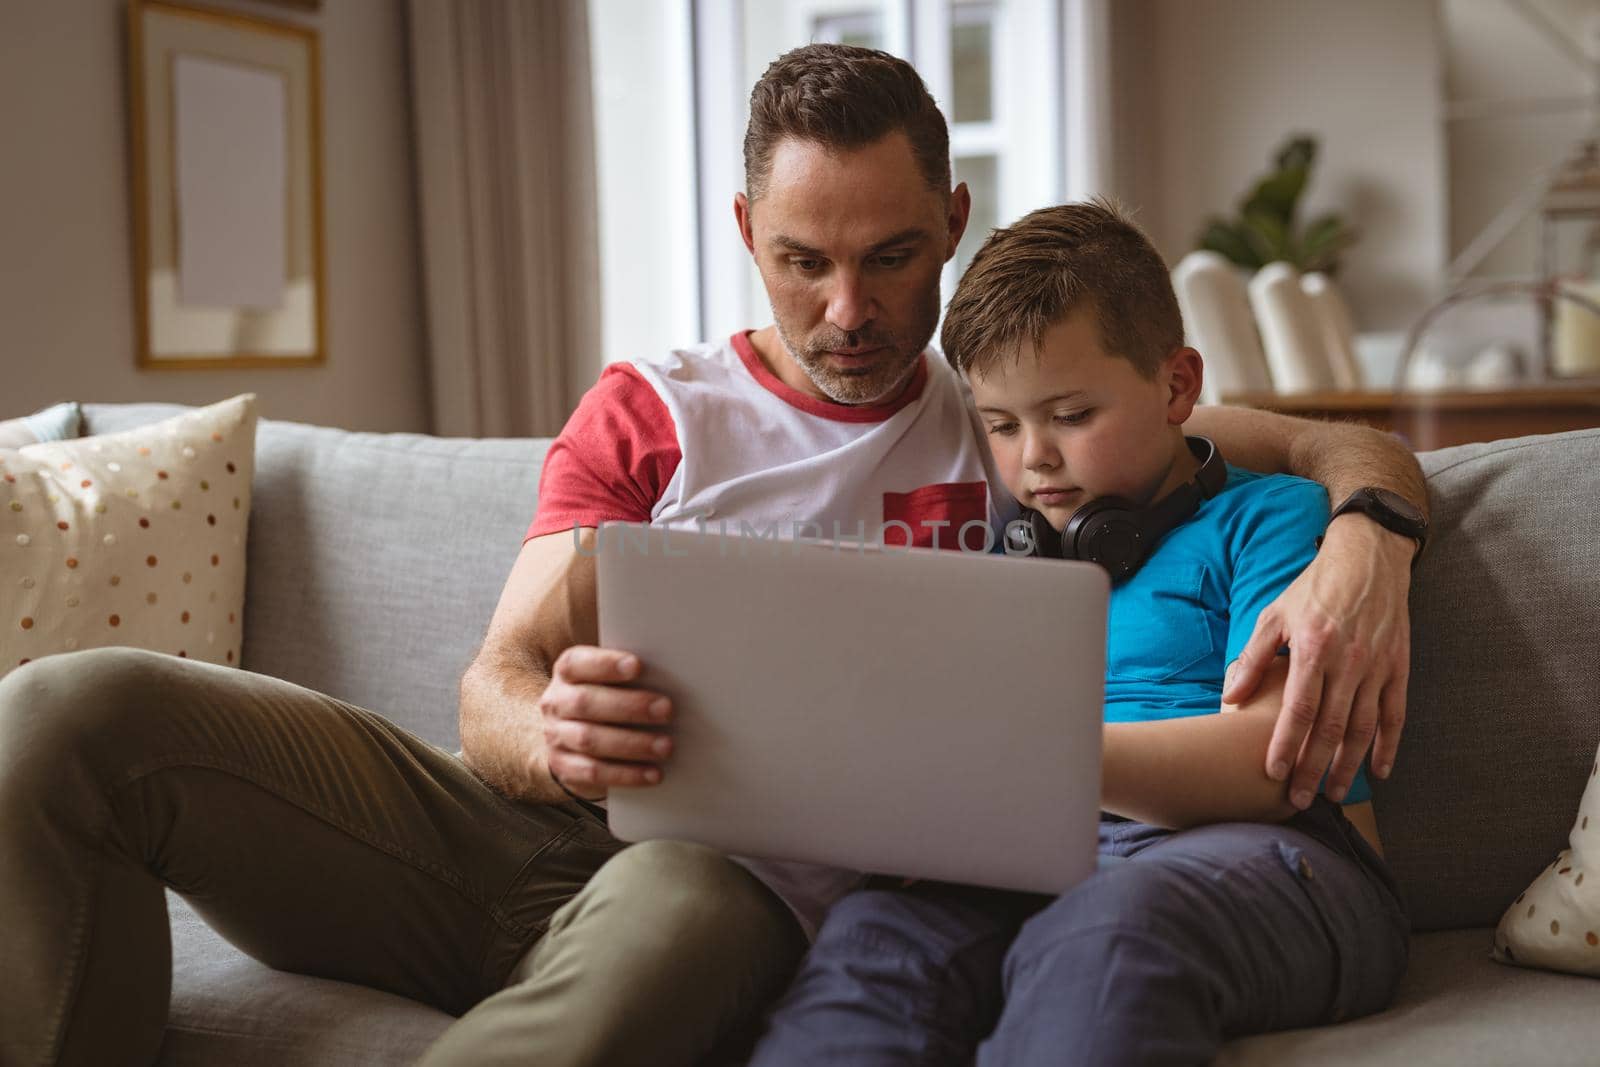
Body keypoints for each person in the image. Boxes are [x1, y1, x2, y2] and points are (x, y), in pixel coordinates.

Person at [0, 45, 1423, 1067]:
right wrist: (546, 730)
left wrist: (1373, 533)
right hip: (518, 830)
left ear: (952, 233)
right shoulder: (649, 409)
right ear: (748, 232)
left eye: (891, 257)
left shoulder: (999, 410)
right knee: (69, 712)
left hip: (715, 880)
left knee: (685, 914)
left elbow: (1283, 444)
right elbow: (494, 680)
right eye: (805, 258)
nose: (851, 307)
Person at [747, 200, 1412, 1066]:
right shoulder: (1010, 556)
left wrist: (1043, 759)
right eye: (1003, 426)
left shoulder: (1268, 519)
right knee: (876, 935)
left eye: (1069, 415)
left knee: (1111, 927)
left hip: (1279, 859)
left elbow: (1276, 760)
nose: (1034, 460)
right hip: (1038, 857)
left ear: (1177, 386)